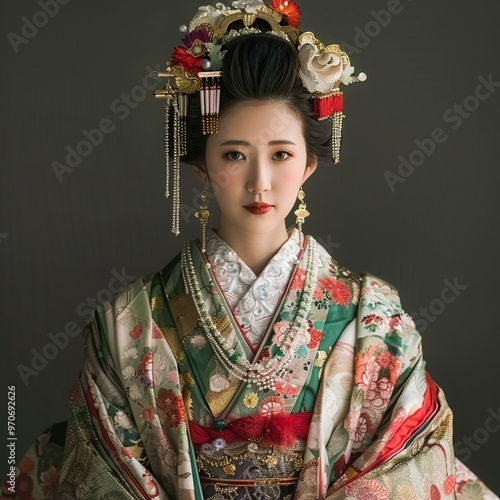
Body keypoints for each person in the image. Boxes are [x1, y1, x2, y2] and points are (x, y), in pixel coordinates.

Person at [4, 1, 499, 499]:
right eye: (234, 155)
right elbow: (103, 470)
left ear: (309, 164)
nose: (260, 182)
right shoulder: (130, 323)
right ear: (200, 165)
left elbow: (406, 458)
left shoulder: (372, 318)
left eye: (281, 154)